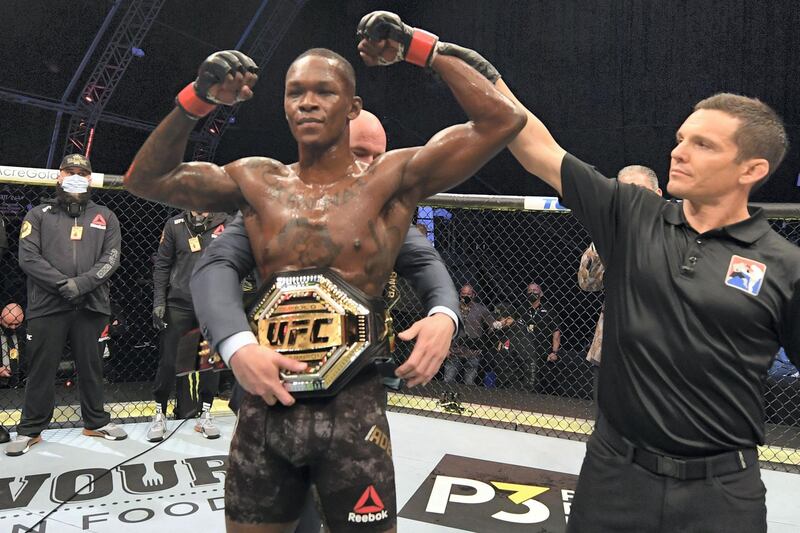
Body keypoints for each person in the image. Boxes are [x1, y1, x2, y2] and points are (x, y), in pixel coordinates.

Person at [123, 10, 525, 533]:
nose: (307, 101)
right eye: (294, 92)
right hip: (266, 407)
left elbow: (502, 120)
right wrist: (198, 100)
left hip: (353, 411)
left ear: (353, 105)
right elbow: (145, 179)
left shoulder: (392, 179)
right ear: (284, 105)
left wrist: (419, 47)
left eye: (324, 91)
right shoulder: (255, 180)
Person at [450, 47, 796, 530]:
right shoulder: (634, 216)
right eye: (680, 138)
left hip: (721, 495)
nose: (678, 151)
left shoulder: (783, 266)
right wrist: (477, 71)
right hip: (614, 476)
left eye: (703, 144)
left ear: (751, 169)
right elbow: (538, 148)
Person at [190, 110, 461, 533]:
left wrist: (443, 316)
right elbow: (215, 265)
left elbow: (427, 263)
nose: (369, 168)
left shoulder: (385, 212)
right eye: (358, 153)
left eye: (377, 156)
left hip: (352, 398)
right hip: (274, 394)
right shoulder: (275, 200)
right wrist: (235, 342)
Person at [7, 153, 126, 457]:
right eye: (69, 171)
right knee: (40, 369)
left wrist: (81, 285)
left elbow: (111, 259)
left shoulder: (106, 215)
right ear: (59, 176)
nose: (75, 176)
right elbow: (28, 258)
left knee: (93, 366)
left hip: (91, 304)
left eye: (81, 172)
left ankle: (96, 421)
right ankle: (30, 429)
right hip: (47, 305)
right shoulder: (38, 214)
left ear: (90, 179)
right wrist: (64, 285)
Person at [577, 166, 661, 395]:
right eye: (625, 193)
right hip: (611, 348)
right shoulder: (611, 234)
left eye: (640, 191)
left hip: (658, 354)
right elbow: (588, 284)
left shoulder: (675, 232)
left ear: (658, 195)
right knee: (604, 421)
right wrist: (603, 240)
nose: (633, 199)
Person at [148, 210, 230, 442]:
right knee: (168, 360)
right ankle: (159, 412)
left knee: (209, 361)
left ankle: (205, 412)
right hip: (180, 303)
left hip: (212, 304)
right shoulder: (175, 224)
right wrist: (159, 302)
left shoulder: (227, 223)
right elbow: (162, 265)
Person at [510, 282, 560, 393]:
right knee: (521, 385)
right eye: (529, 291)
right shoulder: (522, 309)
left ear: (541, 293)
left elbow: (556, 333)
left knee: (541, 387)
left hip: (542, 353)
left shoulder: (549, 311)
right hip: (523, 353)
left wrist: (554, 352)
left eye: (535, 291)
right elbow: (513, 325)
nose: (532, 293)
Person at [443, 284, 495, 385]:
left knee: (469, 383)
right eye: (463, 294)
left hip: (473, 352)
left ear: (474, 295)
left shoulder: (481, 309)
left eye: (469, 294)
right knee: (448, 380)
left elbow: (492, 325)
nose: (466, 296)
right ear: (459, 294)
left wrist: (482, 344)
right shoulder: (453, 308)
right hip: (454, 351)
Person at [0, 302, 23, 443]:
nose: (13, 327)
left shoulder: (24, 333)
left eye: (17, 324)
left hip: (21, 381)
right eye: (9, 324)